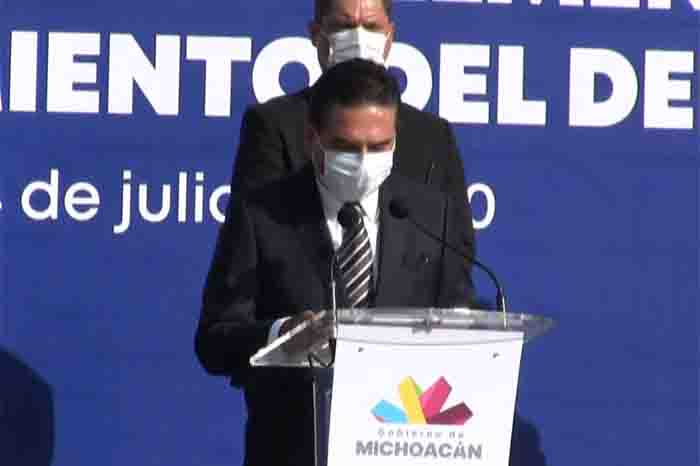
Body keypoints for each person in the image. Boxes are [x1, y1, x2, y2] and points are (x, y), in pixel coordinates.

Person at [195, 59, 474, 466]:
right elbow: (214, 341)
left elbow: (459, 324)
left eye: (379, 146)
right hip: (294, 450)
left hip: (402, 447)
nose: (363, 161)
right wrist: (280, 335)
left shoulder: (430, 214)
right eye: (346, 146)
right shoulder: (262, 215)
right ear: (312, 138)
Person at [231, 0, 475, 261]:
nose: (358, 39)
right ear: (316, 34)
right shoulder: (273, 123)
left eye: (371, 26)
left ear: (390, 35)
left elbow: (454, 254)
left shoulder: (433, 135)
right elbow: (253, 237)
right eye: (343, 26)